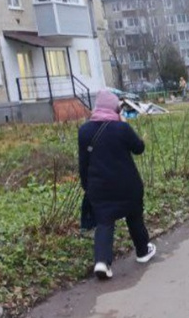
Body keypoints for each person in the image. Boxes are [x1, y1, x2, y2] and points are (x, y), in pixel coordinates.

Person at [78, 90, 157, 279]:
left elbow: (83, 162)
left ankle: (102, 263)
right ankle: (142, 251)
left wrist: (86, 186)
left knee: (104, 223)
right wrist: (125, 124)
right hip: (127, 185)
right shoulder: (121, 128)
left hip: (99, 187)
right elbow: (139, 148)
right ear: (115, 108)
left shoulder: (85, 130)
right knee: (134, 217)